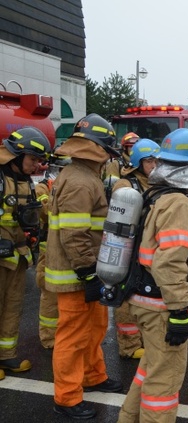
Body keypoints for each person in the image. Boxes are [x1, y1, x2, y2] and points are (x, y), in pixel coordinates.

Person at [118, 128, 188, 423]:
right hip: (161, 305)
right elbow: (168, 264)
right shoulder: (179, 204)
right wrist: (181, 309)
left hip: (144, 300)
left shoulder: (155, 194)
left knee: (150, 370)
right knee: (164, 383)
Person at [45, 114, 123, 419]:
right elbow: (74, 234)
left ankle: (93, 376)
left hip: (88, 269)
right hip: (77, 273)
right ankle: (66, 397)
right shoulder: (79, 181)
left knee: (94, 328)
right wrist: (87, 272)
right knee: (73, 335)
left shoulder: (84, 176)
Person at [0, 127, 52, 380]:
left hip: (17, 258)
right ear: (18, 155)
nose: (37, 166)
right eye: (33, 160)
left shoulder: (24, 182)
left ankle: (6, 356)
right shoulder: (1, 178)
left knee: (12, 307)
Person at [111, 139, 160, 360]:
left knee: (144, 294)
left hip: (149, 247)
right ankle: (129, 346)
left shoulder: (156, 182)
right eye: (150, 160)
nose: (155, 165)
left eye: (157, 160)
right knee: (125, 296)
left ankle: (144, 338)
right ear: (139, 162)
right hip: (128, 248)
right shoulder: (125, 185)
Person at [34, 154, 71, 349]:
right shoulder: (43, 187)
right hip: (48, 250)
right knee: (49, 295)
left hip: (67, 248)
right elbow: (46, 211)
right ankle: (49, 338)